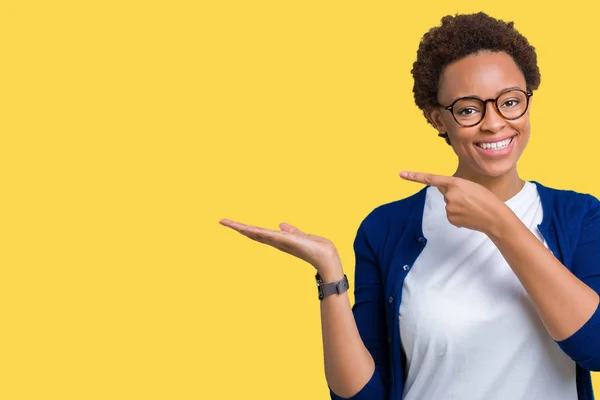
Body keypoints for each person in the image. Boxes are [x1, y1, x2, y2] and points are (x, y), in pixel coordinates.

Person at [219, 12, 600, 400]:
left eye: (510, 102)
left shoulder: (580, 216)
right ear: (437, 118)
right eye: (469, 109)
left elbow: (596, 347)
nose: (494, 123)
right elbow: (361, 395)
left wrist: (499, 223)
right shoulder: (386, 228)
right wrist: (329, 273)